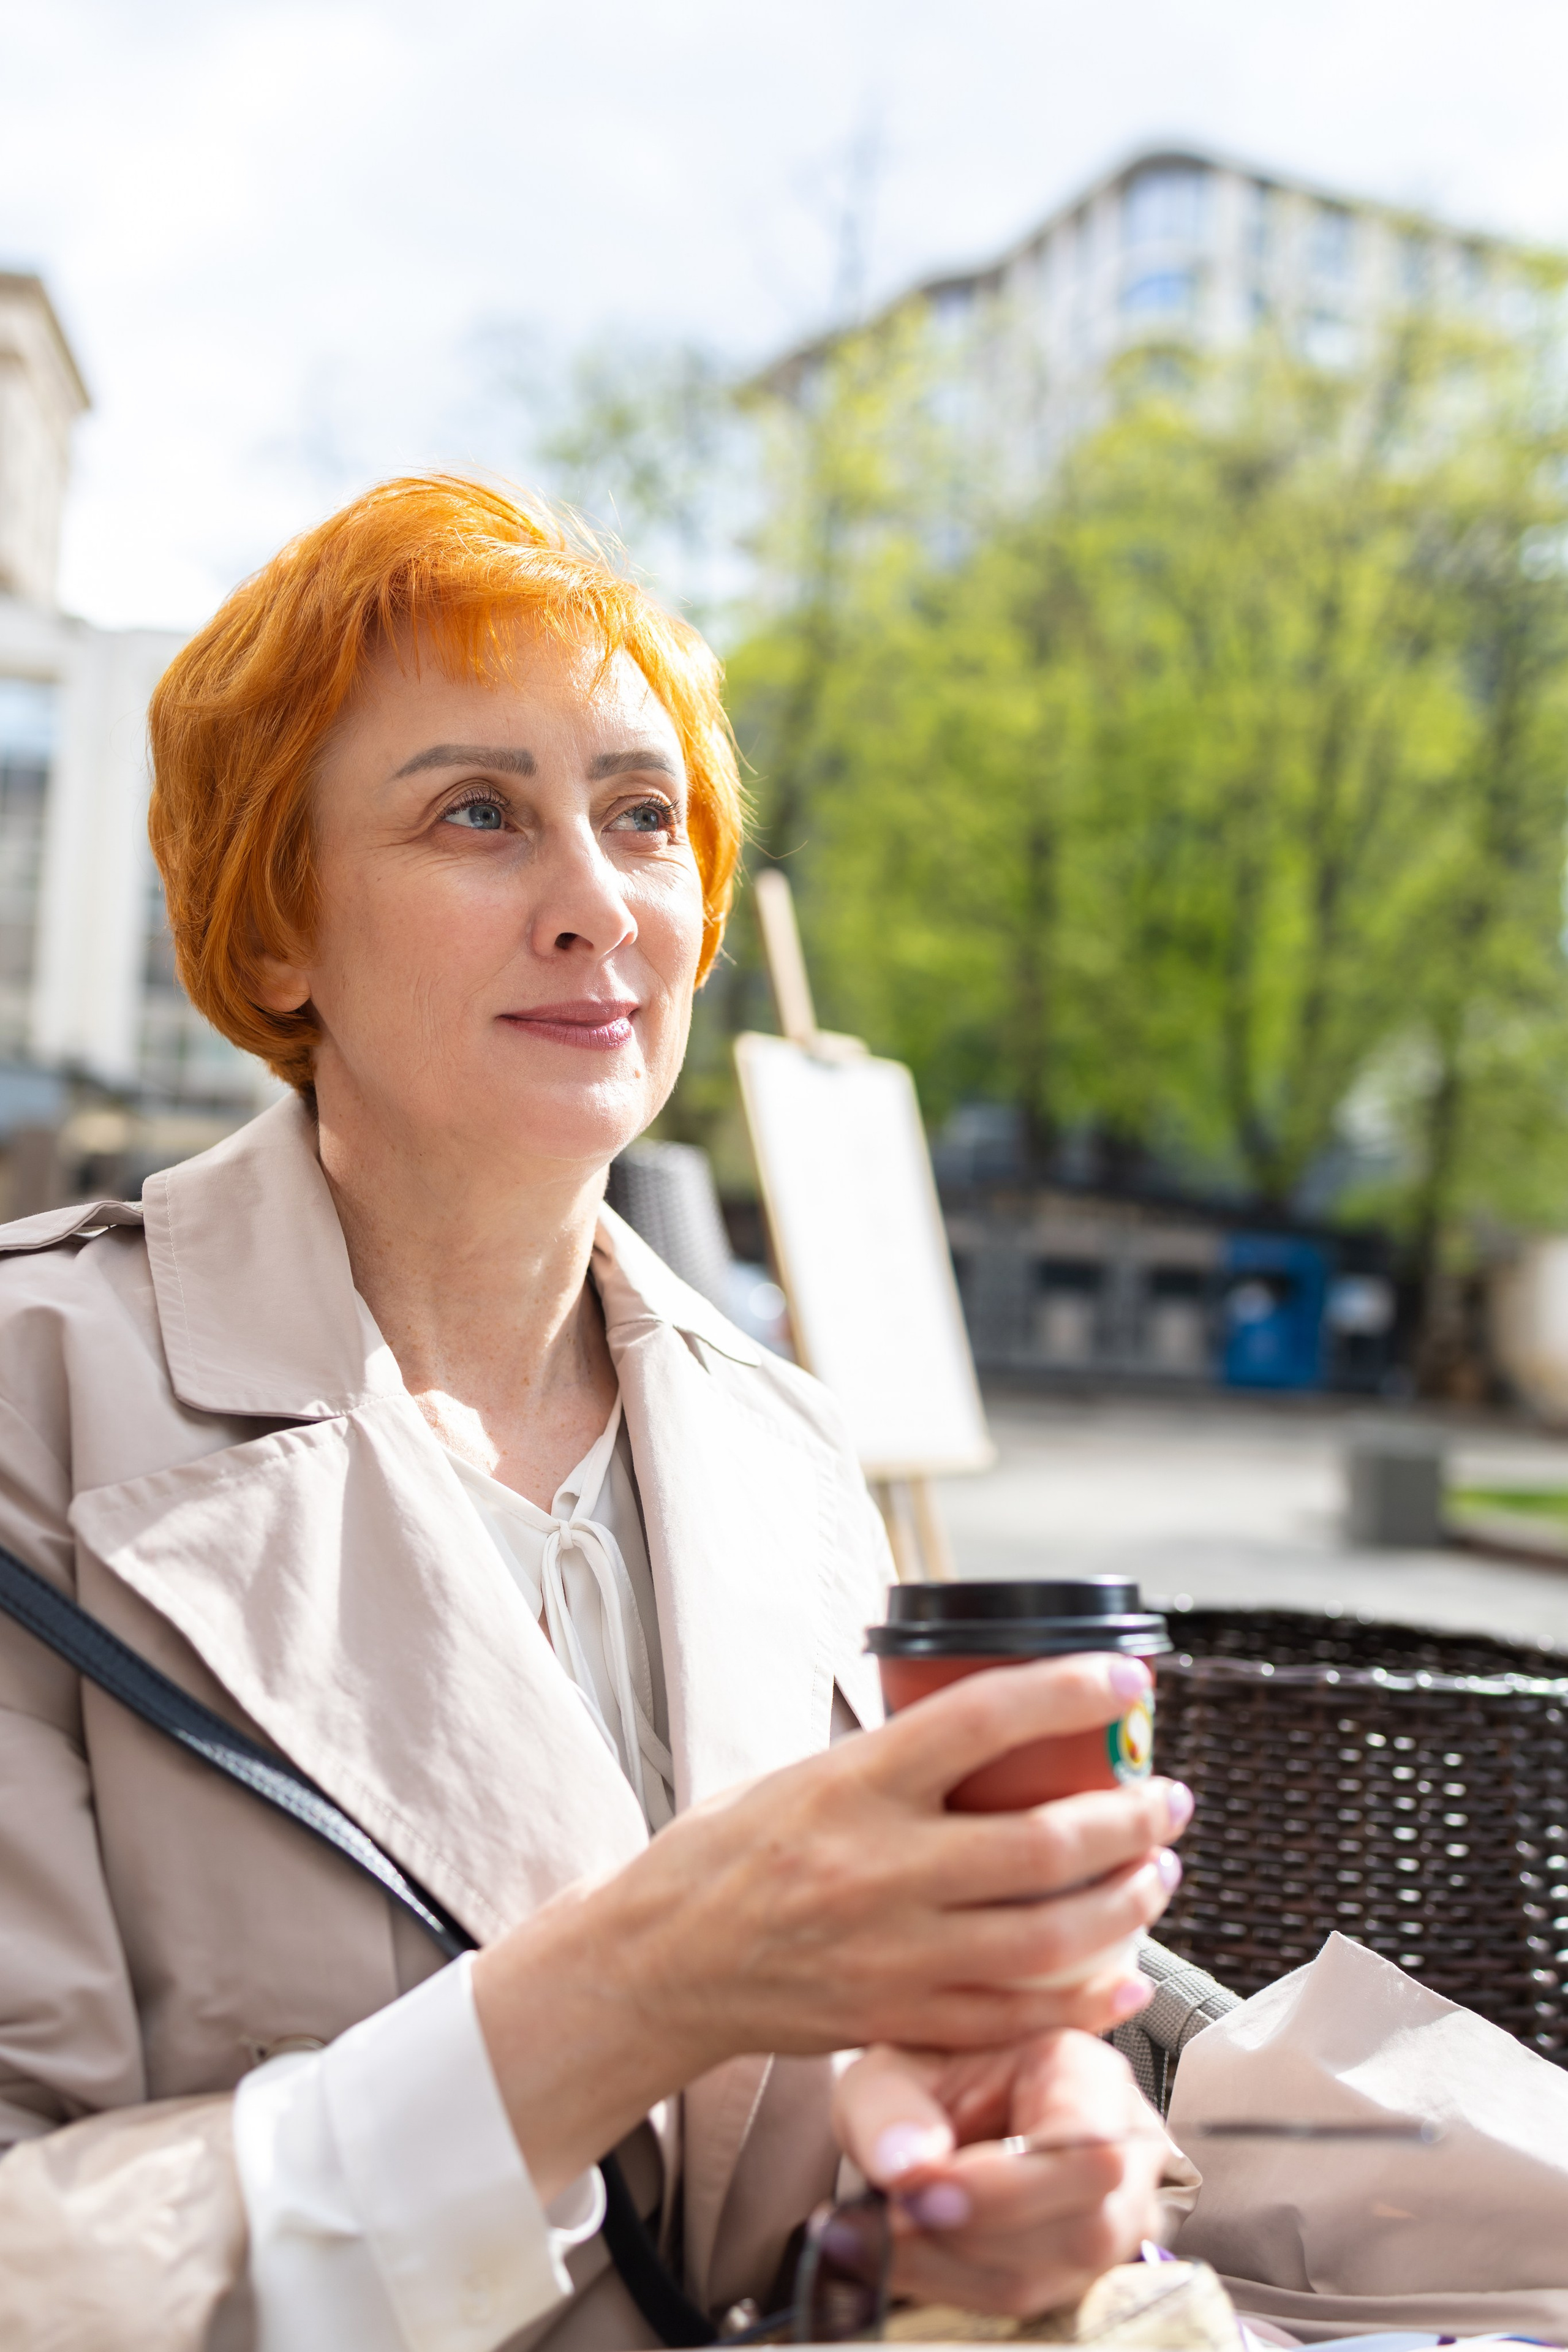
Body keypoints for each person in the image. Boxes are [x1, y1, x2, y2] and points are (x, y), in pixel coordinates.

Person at [0, 477, 1190, 2352]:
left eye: (644, 817)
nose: (596, 905)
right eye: (479, 813)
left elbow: (742, 2228)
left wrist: (938, 2231)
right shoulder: (37, 1401)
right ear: (277, 922)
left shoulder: (787, 1456)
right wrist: (627, 1993)